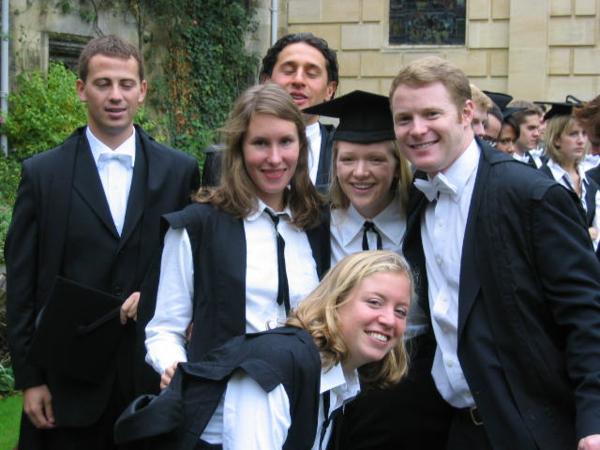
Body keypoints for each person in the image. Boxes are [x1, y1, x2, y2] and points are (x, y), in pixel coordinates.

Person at [390, 55, 600, 450]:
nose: (417, 130)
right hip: (458, 427)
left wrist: (594, 420)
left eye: (432, 114)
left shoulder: (529, 194)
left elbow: (586, 312)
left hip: (534, 430)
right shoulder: (420, 196)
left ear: (467, 113)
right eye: (404, 119)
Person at [5, 35, 200, 449]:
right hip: (66, 381)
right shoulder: (43, 175)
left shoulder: (179, 172)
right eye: (103, 83)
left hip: (149, 379)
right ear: (81, 89)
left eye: (126, 84)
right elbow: (22, 285)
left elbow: (193, 266)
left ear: (142, 91)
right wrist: (30, 379)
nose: (115, 95)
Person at [114, 250, 411, 450]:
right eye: (374, 302)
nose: (389, 320)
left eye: (401, 311)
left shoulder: (336, 378)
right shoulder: (274, 366)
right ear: (335, 301)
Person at [145, 83, 330, 391]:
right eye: (260, 143)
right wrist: (174, 366)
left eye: (285, 141)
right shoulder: (198, 227)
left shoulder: (316, 223)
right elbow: (164, 330)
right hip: (223, 404)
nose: (275, 158)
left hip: (304, 400)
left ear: (301, 145)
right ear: (239, 148)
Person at [202, 32, 339, 192]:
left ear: (330, 90)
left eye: (311, 74)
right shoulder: (222, 159)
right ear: (265, 82)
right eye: (288, 71)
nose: (299, 80)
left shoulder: (345, 157)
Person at [303, 90, 412, 264]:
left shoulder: (420, 223)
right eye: (348, 159)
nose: (360, 172)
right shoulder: (314, 224)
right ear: (335, 164)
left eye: (375, 159)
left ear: (398, 166)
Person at [540, 102, 599, 251]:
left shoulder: (591, 184)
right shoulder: (540, 180)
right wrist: (586, 234)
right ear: (556, 139)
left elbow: (597, 233)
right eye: (573, 134)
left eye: (584, 134)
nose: (581, 140)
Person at [508, 101, 544, 167]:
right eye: (531, 128)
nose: (537, 134)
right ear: (513, 127)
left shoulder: (537, 162)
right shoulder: (503, 163)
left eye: (537, 128)